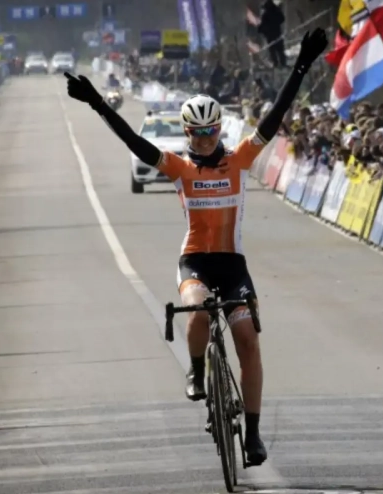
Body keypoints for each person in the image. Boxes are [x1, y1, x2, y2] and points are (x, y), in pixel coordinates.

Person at [64, 28, 328, 466]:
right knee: (200, 308)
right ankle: (197, 369)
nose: (205, 140)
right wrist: (96, 103)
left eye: (211, 133)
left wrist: (302, 64)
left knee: (247, 338)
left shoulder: (239, 159)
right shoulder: (180, 168)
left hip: (233, 264)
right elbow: (134, 142)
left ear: (219, 129)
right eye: (198, 134)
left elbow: (275, 115)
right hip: (196, 263)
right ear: (187, 133)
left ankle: (254, 434)